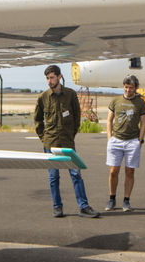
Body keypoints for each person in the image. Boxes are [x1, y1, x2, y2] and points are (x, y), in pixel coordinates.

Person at [34, 65, 99, 218]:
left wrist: (71, 135)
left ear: (59, 77)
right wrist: (44, 139)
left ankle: (83, 206)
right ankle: (57, 206)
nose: (49, 81)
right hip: (50, 144)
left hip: (68, 143)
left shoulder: (70, 95)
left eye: (52, 77)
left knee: (76, 174)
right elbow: (37, 121)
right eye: (47, 78)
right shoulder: (43, 97)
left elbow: (77, 117)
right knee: (53, 176)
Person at [105, 75, 145, 211]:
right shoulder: (115, 101)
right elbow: (109, 120)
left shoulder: (140, 103)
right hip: (116, 140)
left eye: (131, 88)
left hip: (132, 141)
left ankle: (126, 200)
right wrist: (109, 138)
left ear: (136, 88)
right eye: (126, 87)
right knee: (113, 171)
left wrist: (140, 140)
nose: (128, 90)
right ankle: (112, 198)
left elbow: (143, 123)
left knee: (130, 172)